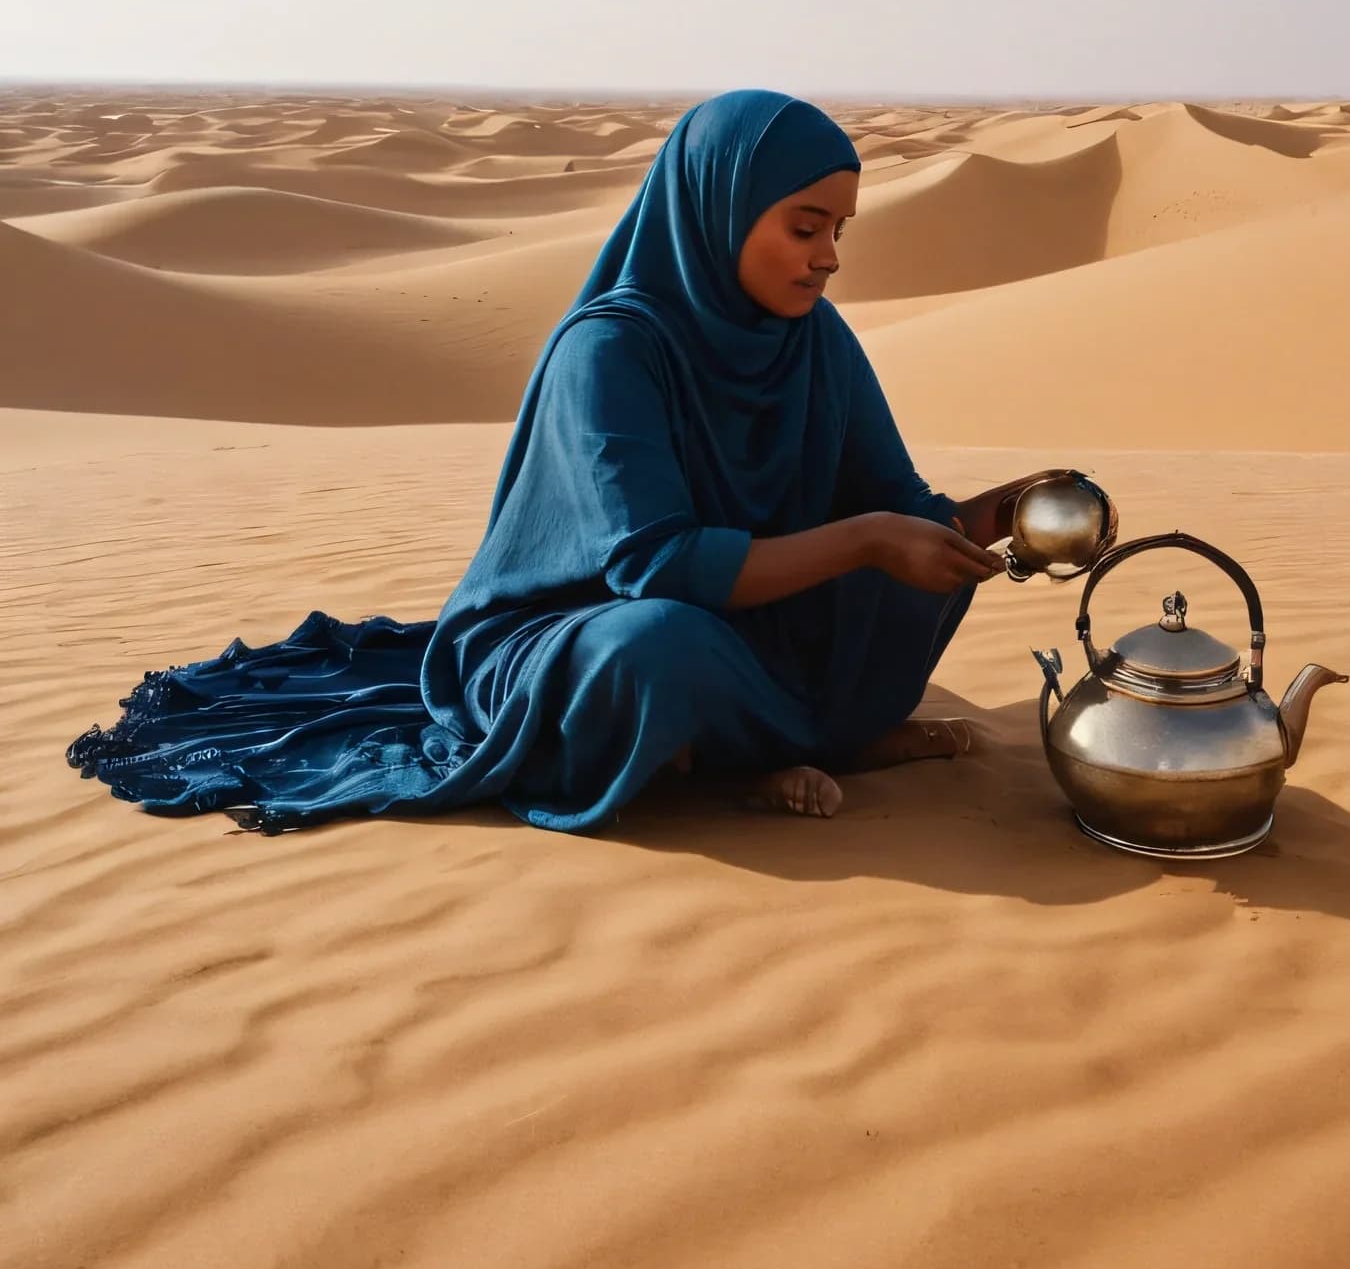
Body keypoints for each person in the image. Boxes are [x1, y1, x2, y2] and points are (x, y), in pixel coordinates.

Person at [67, 91, 1075, 833]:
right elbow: (656, 565)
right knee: (657, 645)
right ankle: (743, 754)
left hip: (756, 624)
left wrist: (1009, 511)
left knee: (920, 569)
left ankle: (792, 738)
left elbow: (894, 500)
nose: (827, 257)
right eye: (802, 227)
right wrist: (863, 538)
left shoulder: (813, 338)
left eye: (837, 230)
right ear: (718, 212)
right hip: (580, 633)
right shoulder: (612, 348)